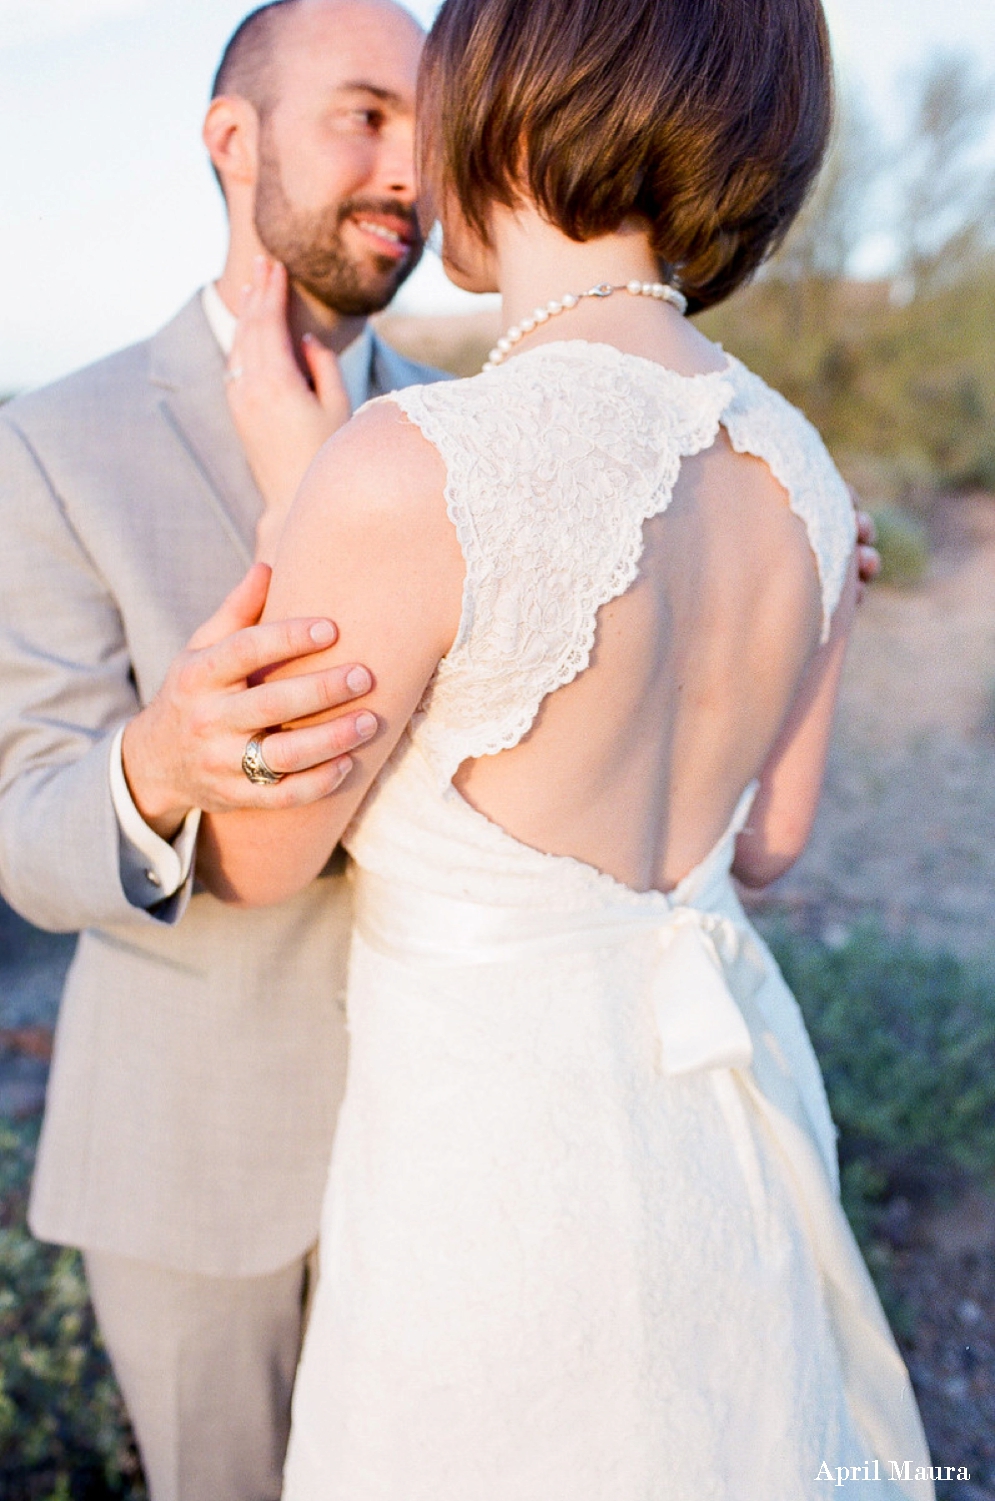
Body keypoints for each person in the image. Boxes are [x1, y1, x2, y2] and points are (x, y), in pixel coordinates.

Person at [198, 0, 933, 1494]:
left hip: (495, 1183)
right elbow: (769, 843)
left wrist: (304, 499)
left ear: (515, 103)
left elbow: (260, 855)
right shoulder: (800, 465)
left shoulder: (416, 464)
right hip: (725, 1134)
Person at [0, 3, 447, 1497]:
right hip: (190, 1166)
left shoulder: (475, 436)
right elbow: (27, 810)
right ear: (229, 139)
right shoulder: (54, 441)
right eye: (366, 113)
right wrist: (159, 768)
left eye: (431, 124)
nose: (410, 165)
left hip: (463, 1139)